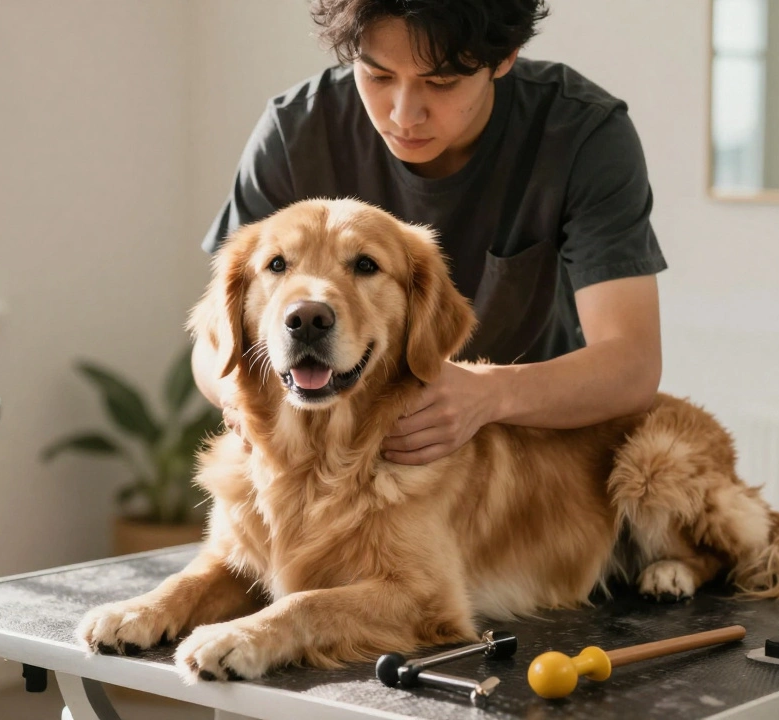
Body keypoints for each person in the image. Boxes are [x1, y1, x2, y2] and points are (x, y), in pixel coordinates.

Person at [192, 0, 667, 466]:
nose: (402, 114)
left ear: (505, 57)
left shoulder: (583, 134)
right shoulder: (294, 132)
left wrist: (490, 394)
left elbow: (632, 364)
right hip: (334, 454)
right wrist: (237, 397)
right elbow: (212, 346)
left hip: (528, 456)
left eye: (440, 82)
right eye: (377, 75)